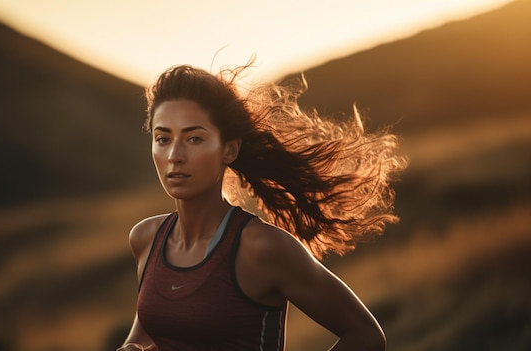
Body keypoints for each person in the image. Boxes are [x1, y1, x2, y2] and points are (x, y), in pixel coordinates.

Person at [117, 63, 407, 351]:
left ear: (229, 149)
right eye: (163, 139)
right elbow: (144, 336)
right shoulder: (146, 238)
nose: (174, 156)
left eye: (194, 138)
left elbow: (365, 335)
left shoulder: (261, 247)